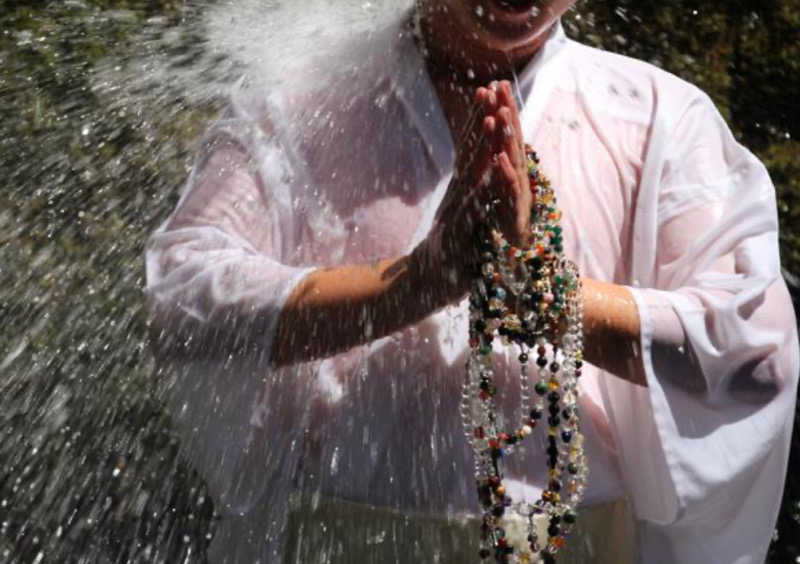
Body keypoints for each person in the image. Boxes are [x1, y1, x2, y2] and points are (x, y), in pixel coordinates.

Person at [145, 0, 800, 562]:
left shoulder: (659, 118)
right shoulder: (296, 107)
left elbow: (754, 354)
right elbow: (180, 299)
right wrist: (411, 286)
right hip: (336, 540)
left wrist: (543, 289)